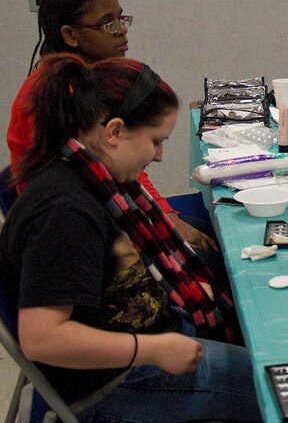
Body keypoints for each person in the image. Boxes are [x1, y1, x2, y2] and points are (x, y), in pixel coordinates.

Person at [0, 53, 261, 422]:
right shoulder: (64, 213)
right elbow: (42, 339)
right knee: (277, 388)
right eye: (155, 141)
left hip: (144, 337)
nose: (158, 156)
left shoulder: (89, 175)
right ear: (115, 132)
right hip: (114, 383)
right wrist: (152, 349)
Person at [6, 0, 218, 253]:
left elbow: (125, 167)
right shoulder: (55, 99)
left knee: (219, 237)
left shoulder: (85, 80)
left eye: (121, 18)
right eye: (108, 23)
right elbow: (95, 192)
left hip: (104, 210)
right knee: (219, 260)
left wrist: (165, 214)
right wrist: (164, 221)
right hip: (81, 234)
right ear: (70, 35)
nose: (121, 30)